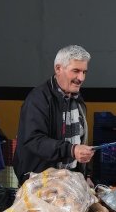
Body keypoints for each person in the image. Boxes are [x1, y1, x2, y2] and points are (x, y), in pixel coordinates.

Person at [13, 45, 94, 182]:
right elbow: (34, 140)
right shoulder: (38, 99)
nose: (81, 78)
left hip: (68, 180)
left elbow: (79, 140)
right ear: (58, 69)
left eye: (84, 72)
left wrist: (86, 175)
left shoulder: (77, 100)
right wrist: (71, 150)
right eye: (75, 71)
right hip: (39, 180)